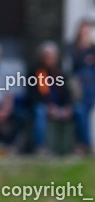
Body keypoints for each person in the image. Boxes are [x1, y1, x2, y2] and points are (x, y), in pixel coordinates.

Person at [28, 41, 74, 155]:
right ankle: (40, 147)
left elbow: (67, 94)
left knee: (80, 111)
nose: (49, 59)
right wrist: (49, 107)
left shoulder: (59, 73)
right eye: (46, 56)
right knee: (40, 111)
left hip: (60, 106)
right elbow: (33, 95)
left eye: (51, 57)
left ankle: (81, 146)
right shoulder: (36, 73)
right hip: (44, 106)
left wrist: (67, 107)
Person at [67, 20, 95, 153]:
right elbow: (71, 68)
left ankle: (84, 144)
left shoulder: (92, 49)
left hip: (91, 87)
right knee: (80, 111)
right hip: (78, 86)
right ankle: (85, 143)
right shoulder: (73, 48)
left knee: (85, 112)